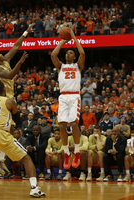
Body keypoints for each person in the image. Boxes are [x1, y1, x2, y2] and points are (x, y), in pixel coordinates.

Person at [0, 81, 46, 197]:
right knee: (26, 159)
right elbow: (19, 121)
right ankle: (34, 188)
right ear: (4, 90)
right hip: (1, 134)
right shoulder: (9, 101)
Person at [0, 23, 33, 175]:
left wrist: (26, 32)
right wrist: (20, 62)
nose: (2, 53)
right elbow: (10, 75)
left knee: (11, 129)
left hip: (10, 97)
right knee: (7, 130)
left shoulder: (5, 60)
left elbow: (15, 46)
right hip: (3, 98)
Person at [51, 27, 85, 170]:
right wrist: (63, 41)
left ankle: (76, 152)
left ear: (74, 56)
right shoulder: (61, 66)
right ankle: (66, 153)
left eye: (71, 53)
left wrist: (73, 37)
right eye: (67, 53)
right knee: (62, 126)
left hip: (74, 95)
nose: (68, 54)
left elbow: (82, 52)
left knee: (74, 124)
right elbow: (53, 55)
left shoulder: (78, 66)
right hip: (63, 96)